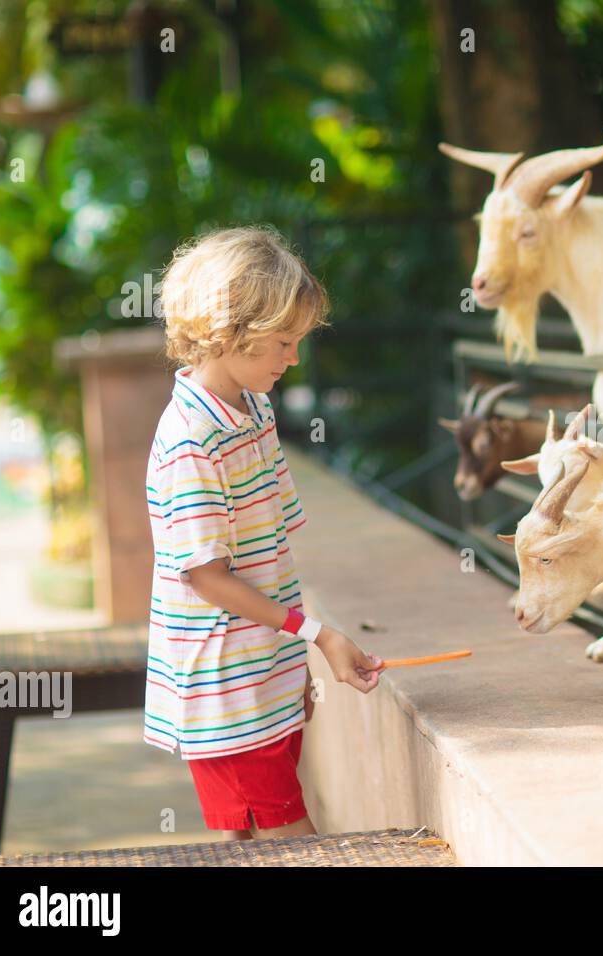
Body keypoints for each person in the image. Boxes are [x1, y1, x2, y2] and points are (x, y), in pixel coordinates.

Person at [145, 225, 382, 841]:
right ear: (230, 333)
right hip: (226, 696)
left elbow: (271, 554)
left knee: (250, 845)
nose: (293, 358)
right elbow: (206, 578)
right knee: (295, 846)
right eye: (283, 341)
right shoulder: (190, 441)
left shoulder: (256, 410)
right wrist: (317, 635)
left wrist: (292, 661)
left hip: (265, 677)